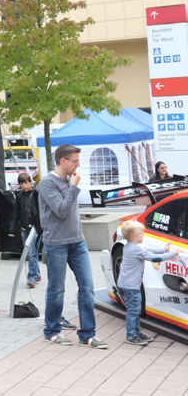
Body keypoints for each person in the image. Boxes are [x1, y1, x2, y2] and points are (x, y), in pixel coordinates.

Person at [40, 144, 107, 349]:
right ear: (63, 161)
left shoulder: (70, 179)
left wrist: (72, 185)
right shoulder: (47, 182)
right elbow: (61, 210)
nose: (78, 164)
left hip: (78, 242)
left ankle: (87, 335)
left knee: (87, 287)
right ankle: (51, 331)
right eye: (75, 160)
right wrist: (74, 187)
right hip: (56, 244)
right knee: (56, 289)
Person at [117, 220, 178, 345]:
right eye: (142, 233)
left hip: (126, 284)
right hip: (131, 286)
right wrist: (171, 253)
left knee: (135, 310)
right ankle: (131, 336)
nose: (143, 235)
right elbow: (154, 258)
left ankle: (136, 333)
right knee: (133, 311)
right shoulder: (136, 250)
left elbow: (147, 250)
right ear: (134, 236)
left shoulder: (129, 246)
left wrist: (163, 249)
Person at [15, 173, 42, 288]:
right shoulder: (20, 196)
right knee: (30, 253)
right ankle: (37, 274)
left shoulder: (37, 194)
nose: (24, 186)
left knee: (32, 252)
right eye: (21, 184)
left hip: (35, 228)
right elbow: (16, 211)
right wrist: (13, 227)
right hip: (24, 227)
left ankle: (32, 276)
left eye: (26, 183)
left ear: (31, 182)